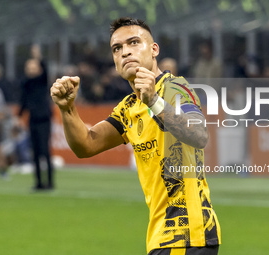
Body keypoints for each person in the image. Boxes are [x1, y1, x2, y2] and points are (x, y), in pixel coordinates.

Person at [50, 17, 220, 255]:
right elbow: (86, 145)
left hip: (189, 234)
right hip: (162, 237)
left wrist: (153, 101)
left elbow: (199, 135)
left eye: (133, 43)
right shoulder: (128, 107)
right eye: (117, 48)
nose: (125, 52)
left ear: (154, 49)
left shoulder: (175, 88)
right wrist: (67, 108)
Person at [18, 45, 54, 191]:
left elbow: (45, 69)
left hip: (44, 119)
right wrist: (18, 117)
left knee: (45, 151)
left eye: (34, 67)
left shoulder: (41, 81)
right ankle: (39, 182)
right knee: (36, 152)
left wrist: (37, 57)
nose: (31, 70)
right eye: (29, 67)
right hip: (32, 119)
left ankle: (50, 182)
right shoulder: (26, 84)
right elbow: (23, 102)